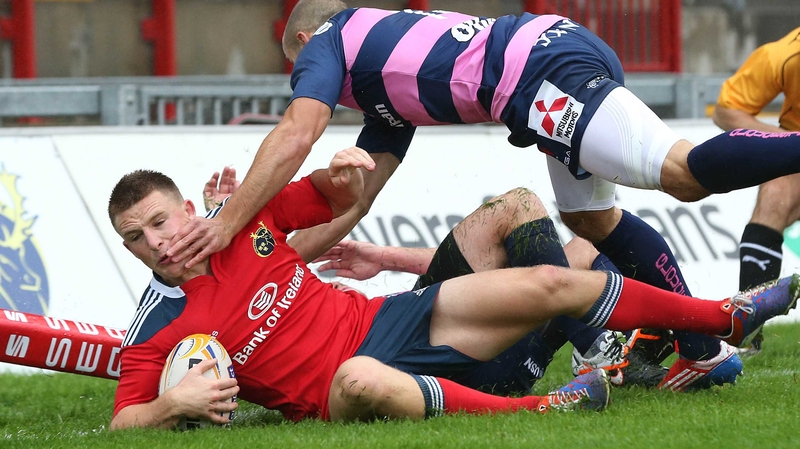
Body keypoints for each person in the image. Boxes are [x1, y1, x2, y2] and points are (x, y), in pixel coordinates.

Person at [166, 0, 800, 400]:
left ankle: (664, 345)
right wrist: (273, 258)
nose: (307, 83)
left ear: (302, 44)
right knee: (589, 218)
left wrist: (228, 226)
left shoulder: (326, 40)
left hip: (533, 74)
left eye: (298, 72)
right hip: (543, 59)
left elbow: (297, 132)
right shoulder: (385, 94)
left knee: (681, 171)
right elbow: (351, 208)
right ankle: (699, 353)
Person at [108, 149, 798, 429]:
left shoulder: (244, 223)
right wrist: (172, 402)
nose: (157, 241)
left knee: (557, 274)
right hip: (340, 387)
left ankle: (721, 319)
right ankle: (544, 404)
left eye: (162, 221)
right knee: (359, 376)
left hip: (390, 319)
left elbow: (322, 196)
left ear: (187, 211)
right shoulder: (159, 322)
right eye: (137, 237)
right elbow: (121, 421)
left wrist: (342, 170)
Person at [203, 169, 667, 391]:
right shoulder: (227, 297)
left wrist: (384, 256)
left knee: (576, 240)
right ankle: (608, 349)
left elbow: (475, 277)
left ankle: (645, 343)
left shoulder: (275, 268)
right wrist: (230, 222)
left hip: (440, 331)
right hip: (433, 356)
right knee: (564, 234)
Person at [712, 26, 800, 354]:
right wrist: (790, 143)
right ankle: (747, 330)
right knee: (774, 196)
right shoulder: (783, 55)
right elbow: (726, 110)